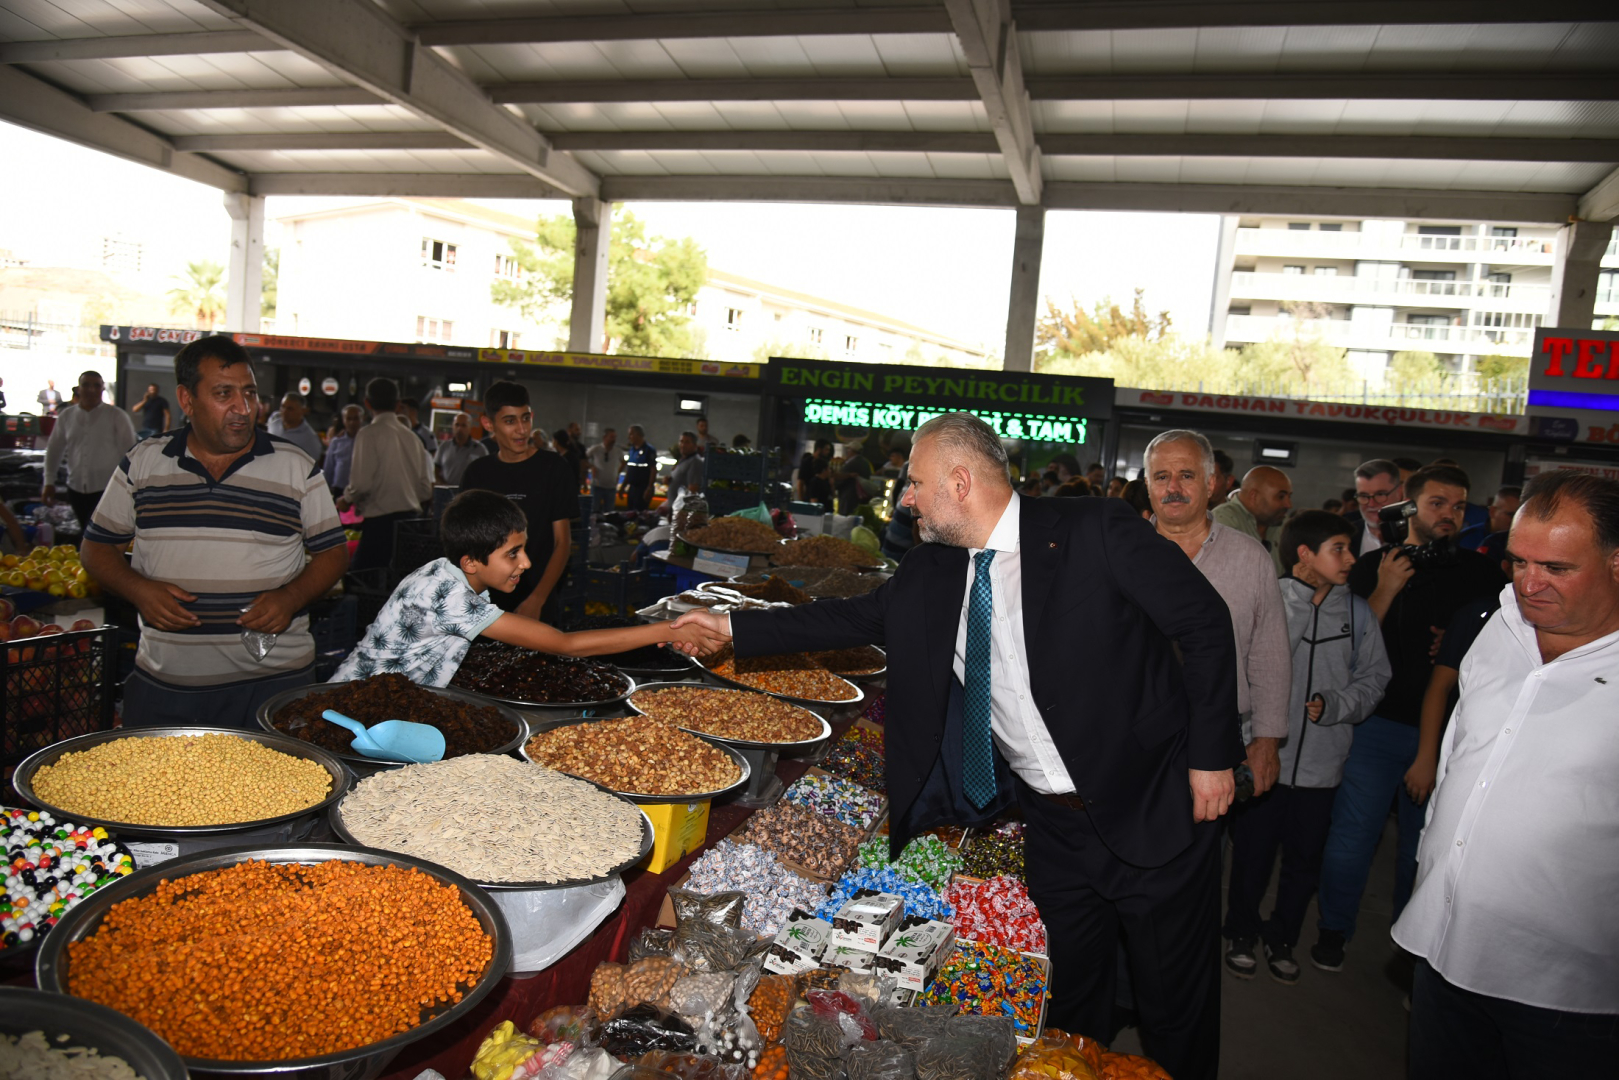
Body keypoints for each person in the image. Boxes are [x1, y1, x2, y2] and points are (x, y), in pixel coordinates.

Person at [674, 412, 1242, 1080]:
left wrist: (1211, 757)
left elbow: (1204, 623)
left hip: (1153, 801)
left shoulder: (1093, 530)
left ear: (960, 482)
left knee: (1172, 1001)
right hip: (1053, 828)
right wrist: (728, 627)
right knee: (1072, 998)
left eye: (914, 483)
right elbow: (847, 616)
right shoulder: (932, 572)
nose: (905, 498)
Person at [1394, 470, 1619, 1077]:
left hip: (1567, 995)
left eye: (1557, 568)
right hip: (1444, 952)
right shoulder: (1501, 625)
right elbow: (1462, 745)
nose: (1529, 583)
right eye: (1518, 562)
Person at [80, 335, 349, 728]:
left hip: (273, 685)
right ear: (187, 400)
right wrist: (139, 589)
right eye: (224, 393)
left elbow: (333, 554)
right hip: (167, 687)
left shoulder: (295, 466)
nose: (243, 408)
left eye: (250, 393)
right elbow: (96, 549)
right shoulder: (144, 463)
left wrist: (291, 597)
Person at [1313, 463, 1506, 973]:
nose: (1449, 514)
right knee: (1353, 837)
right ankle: (1333, 930)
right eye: (1437, 503)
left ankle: (1409, 946)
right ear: (1410, 507)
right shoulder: (1373, 566)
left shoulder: (1483, 574)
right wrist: (1386, 588)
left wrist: (1467, 647)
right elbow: (1344, 649)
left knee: (1424, 848)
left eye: (1459, 505)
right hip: (1376, 725)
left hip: (1449, 735)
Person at [1224, 510, 1390, 984]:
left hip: (1321, 766)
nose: (1350, 559)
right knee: (1253, 854)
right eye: (1338, 548)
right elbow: (1260, 660)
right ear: (1304, 555)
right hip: (1264, 756)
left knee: (1303, 861)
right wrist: (1299, 601)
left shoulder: (1357, 614)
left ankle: (1282, 938)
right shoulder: (1272, 598)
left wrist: (1340, 704)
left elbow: (1375, 677)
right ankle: (1240, 931)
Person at [332, 490, 721, 684]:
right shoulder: (450, 597)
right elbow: (565, 645)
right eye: (513, 554)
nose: (527, 563)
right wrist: (670, 629)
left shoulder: (445, 570)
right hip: (353, 709)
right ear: (471, 562)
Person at [1145, 429, 1290, 917]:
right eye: (1161, 476)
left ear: (1211, 483)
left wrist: (1267, 740)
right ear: (1146, 484)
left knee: (1196, 871)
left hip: (1216, 741)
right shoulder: (1119, 554)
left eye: (1187, 475)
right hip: (1132, 740)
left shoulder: (1249, 558)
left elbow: (1269, 652)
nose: (1174, 488)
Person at [460, 381, 577, 622]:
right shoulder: (477, 473)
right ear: (488, 424)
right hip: (486, 604)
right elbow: (467, 543)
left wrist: (537, 599)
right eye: (510, 421)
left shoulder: (553, 468)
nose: (522, 430)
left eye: (526, 418)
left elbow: (563, 543)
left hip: (539, 595)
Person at [337, 378, 433, 573]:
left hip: (380, 526)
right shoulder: (412, 438)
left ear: (367, 403)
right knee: (402, 586)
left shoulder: (368, 434)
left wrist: (346, 500)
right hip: (410, 525)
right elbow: (425, 490)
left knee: (364, 582)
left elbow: (361, 484)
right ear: (398, 405)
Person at [42, 370, 137, 532]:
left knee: (96, 535)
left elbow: (130, 454)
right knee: (85, 531)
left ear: (102, 389)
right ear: (78, 388)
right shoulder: (67, 416)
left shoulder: (117, 416)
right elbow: (54, 449)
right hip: (75, 488)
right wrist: (48, 481)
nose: (91, 389)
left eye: (96, 385)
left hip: (107, 489)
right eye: (86, 385)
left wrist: (132, 489)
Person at [1212, 465, 1293, 576]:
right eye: (1281, 497)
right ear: (1254, 496)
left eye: (1289, 497)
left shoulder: (1283, 525)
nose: (1288, 505)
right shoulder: (1223, 520)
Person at [1349, 458, 1404, 557]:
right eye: (1364, 496)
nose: (1371, 504)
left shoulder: (1418, 535)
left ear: (1399, 492)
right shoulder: (1346, 536)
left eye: (1380, 494)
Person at [266, 391, 324, 464]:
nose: (284, 411)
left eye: (290, 409)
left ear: (302, 411)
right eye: (283, 406)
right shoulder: (274, 420)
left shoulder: (310, 438)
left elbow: (313, 464)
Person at [434, 411, 487, 487]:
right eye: (457, 425)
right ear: (453, 426)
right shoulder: (444, 447)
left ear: (470, 428)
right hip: (447, 492)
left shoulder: (480, 449)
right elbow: (435, 470)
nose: (459, 428)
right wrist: (443, 485)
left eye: (463, 425)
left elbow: (485, 474)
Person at [322, 405, 363, 493]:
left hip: (360, 491)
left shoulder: (367, 441)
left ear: (362, 419)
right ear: (344, 420)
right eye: (348, 419)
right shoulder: (336, 442)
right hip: (338, 489)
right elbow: (329, 467)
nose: (352, 422)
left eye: (356, 418)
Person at [586, 427, 625, 515]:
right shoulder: (596, 449)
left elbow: (623, 462)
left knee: (609, 512)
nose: (614, 440)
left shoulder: (618, 451)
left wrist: (617, 473)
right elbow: (584, 460)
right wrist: (591, 467)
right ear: (605, 437)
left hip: (611, 486)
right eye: (611, 437)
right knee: (594, 511)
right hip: (597, 485)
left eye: (615, 437)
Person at [665, 430, 705, 509]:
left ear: (694, 445)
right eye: (681, 441)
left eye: (687, 442)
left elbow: (693, 490)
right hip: (674, 508)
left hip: (681, 510)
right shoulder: (684, 459)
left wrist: (682, 511)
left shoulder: (695, 462)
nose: (683, 445)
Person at [621, 425, 657, 511]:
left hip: (643, 488)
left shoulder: (649, 450)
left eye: (631, 434)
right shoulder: (632, 450)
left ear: (638, 434)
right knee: (630, 512)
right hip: (632, 488)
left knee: (640, 513)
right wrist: (623, 486)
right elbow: (629, 469)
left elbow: (653, 469)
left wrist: (649, 488)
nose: (629, 437)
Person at [797, 439, 834, 504]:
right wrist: (801, 501)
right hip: (810, 498)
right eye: (826, 449)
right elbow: (800, 483)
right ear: (819, 449)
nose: (828, 452)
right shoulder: (807, 462)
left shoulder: (825, 462)